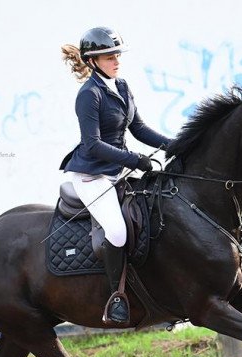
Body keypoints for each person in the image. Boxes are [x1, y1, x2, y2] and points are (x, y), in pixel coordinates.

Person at [60, 27, 172, 324]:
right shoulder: (88, 95)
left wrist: (174, 145)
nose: (116, 60)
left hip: (116, 172)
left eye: (117, 54)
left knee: (150, 217)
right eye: (110, 56)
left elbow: (139, 129)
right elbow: (92, 145)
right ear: (93, 61)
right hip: (90, 176)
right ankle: (116, 298)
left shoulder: (121, 86)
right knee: (118, 232)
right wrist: (133, 158)